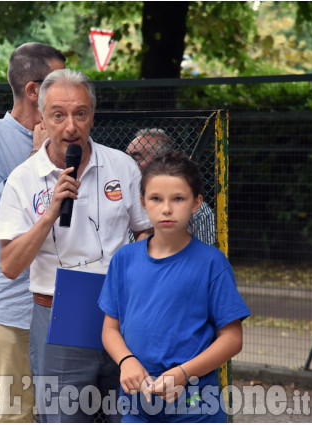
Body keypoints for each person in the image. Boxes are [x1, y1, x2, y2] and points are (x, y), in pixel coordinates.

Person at [0, 69, 153, 422]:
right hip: (59, 315)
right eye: (58, 115)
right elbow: (9, 265)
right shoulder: (23, 178)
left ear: (92, 115)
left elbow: (145, 232)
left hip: (121, 312)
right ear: (42, 119)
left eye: (80, 114)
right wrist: (48, 215)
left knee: (129, 415)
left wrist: (138, 272)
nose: (70, 126)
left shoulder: (122, 166)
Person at [99, 151, 250, 422]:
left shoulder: (212, 263)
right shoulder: (124, 259)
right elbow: (110, 328)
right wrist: (126, 361)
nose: (166, 208)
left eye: (178, 199)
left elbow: (232, 338)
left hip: (194, 402)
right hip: (137, 401)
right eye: (156, 199)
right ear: (143, 202)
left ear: (196, 203)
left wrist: (183, 373)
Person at [0, 42, 65, 423]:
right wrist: (36, 159)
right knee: (17, 414)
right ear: (33, 90)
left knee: (64, 411)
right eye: (59, 81)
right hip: (7, 305)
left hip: (61, 301)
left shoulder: (71, 138)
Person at [126, 128, 216, 245]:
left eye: (136, 157)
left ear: (159, 160)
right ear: (143, 202)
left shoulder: (200, 212)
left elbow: (205, 255)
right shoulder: (122, 202)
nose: (127, 163)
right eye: (155, 199)